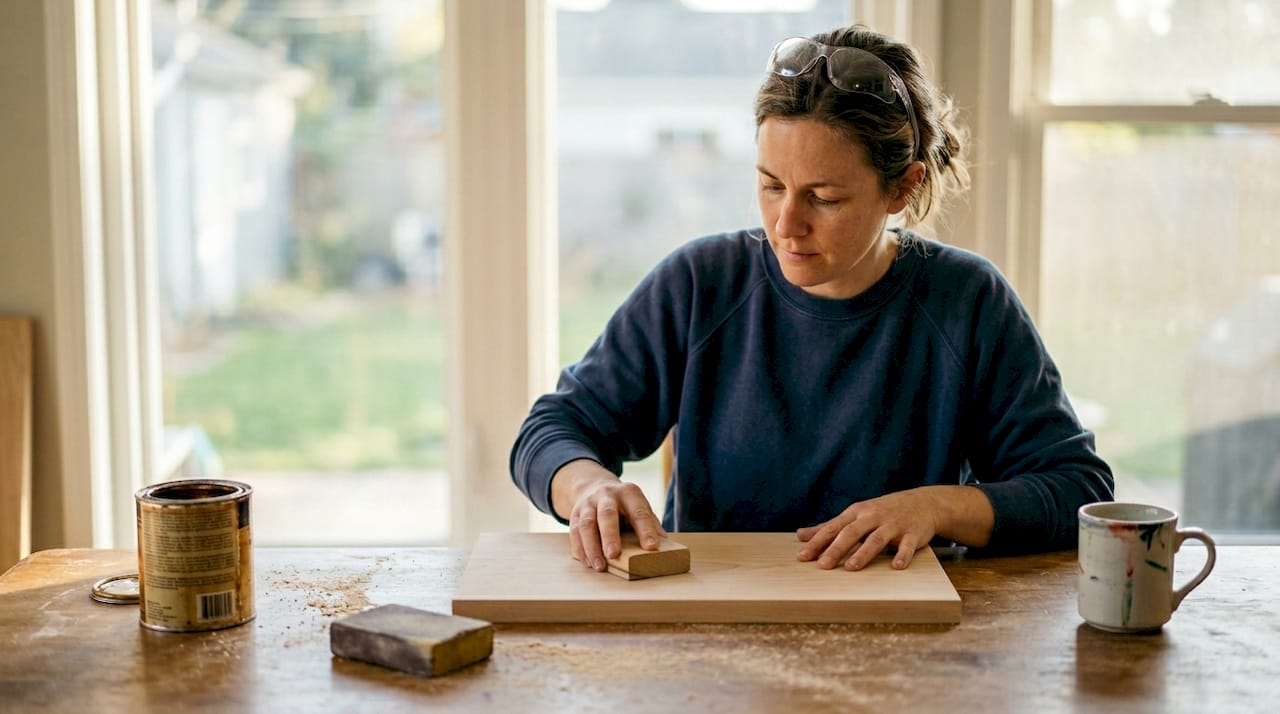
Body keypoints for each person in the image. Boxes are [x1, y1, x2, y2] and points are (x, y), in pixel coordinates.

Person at [510, 24, 1114, 575]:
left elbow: (1079, 490)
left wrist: (937, 507)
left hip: (906, 644)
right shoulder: (701, 284)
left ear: (903, 188)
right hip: (716, 641)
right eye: (771, 186)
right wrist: (585, 485)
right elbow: (553, 429)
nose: (785, 224)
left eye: (823, 197)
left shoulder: (967, 301)